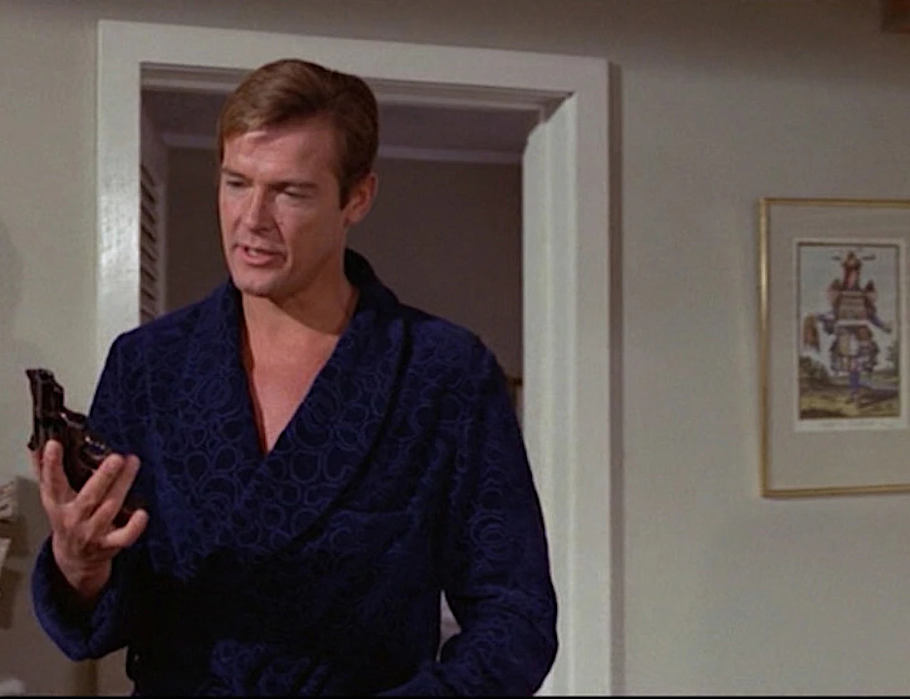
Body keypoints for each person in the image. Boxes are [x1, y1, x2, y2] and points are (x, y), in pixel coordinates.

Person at [30, 57, 558, 695]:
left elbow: (516, 618)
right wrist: (79, 566)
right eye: (236, 183)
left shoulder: (442, 373)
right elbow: (112, 609)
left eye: (290, 192)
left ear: (357, 197)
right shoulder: (148, 365)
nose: (252, 218)